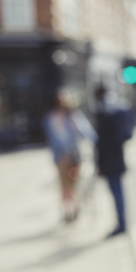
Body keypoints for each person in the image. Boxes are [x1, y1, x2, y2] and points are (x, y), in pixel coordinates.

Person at [44, 88, 97, 223]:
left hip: (74, 156)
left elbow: (86, 132)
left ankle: (76, 207)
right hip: (61, 158)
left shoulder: (75, 117)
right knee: (64, 186)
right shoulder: (52, 118)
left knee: (75, 183)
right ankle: (68, 211)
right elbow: (54, 139)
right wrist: (63, 152)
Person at [95, 85, 134, 238]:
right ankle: (122, 223)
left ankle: (122, 224)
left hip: (109, 162)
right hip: (117, 159)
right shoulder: (112, 112)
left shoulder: (103, 114)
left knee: (116, 193)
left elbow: (101, 144)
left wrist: (99, 164)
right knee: (118, 192)